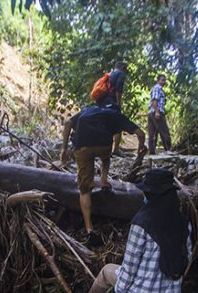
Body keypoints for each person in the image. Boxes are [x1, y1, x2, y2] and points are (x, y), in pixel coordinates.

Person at [61, 105, 147, 246]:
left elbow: (68, 124)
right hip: (103, 147)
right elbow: (141, 134)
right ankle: (103, 180)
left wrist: (64, 149)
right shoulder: (117, 115)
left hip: (82, 147)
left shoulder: (88, 110)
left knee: (84, 190)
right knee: (105, 158)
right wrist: (140, 149)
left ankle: (89, 229)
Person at [97, 61, 128, 155]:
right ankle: (116, 149)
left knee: (105, 124)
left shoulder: (109, 74)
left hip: (102, 103)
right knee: (118, 124)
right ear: (122, 67)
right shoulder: (120, 74)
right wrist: (118, 103)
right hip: (112, 102)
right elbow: (118, 89)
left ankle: (102, 148)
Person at [147, 74, 171, 154]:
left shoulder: (157, 89)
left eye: (165, 80)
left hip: (151, 112)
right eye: (162, 80)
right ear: (158, 80)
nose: (164, 82)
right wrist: (157, 111)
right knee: (164, 131)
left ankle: (152, 151)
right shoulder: (157, 88)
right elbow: (154, 100)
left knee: (152, 133)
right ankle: (168, 150)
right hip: (156, 111)